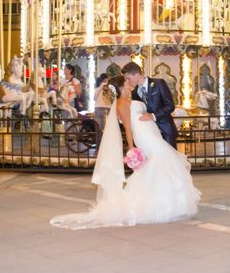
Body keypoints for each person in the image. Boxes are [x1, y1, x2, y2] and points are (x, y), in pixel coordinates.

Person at [50, 74, 200, 229]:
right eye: (127, 82)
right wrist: (131, 147)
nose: (130, 84)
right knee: (161, 159)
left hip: (152, 132)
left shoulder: (131, 98)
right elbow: (128, 127)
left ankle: (169, 201)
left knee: (161, 162)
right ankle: (160, 204)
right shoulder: (121, 103)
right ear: (121, 87)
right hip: (144, 136)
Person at [121, 61, 178, 147]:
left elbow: (170, 106)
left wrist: (153, 116)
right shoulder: (134, 93)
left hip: (165, 130)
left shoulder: (159, 83)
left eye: (128, 78)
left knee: (170, 158)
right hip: (149, 133)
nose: (127, 81)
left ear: (136, 74)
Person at [93, 73, 112, 138]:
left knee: (99, 130)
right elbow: (110, 99)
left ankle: (99, 146)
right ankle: (106, 145)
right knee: (107, 129)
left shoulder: (97, 87)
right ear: (106, 79)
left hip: (98, 108)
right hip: (107, 109)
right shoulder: (109, 86)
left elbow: (94, 98)